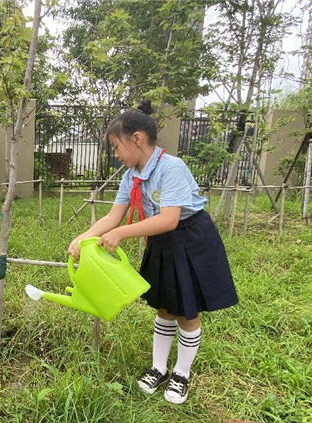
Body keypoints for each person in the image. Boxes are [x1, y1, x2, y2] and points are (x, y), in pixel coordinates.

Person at [68, 101, 238, 404]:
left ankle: (181, 373)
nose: (116, 154)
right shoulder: (130, 175)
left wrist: (120, 233)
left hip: (190, 239)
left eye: (116, 146)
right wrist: (82, 238)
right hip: (161, 241)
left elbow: (169, 218)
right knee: (163, 305)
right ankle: (159, 368)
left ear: (136, 138)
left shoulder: (171, 167)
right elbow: (113, 216)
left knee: (187, 310)